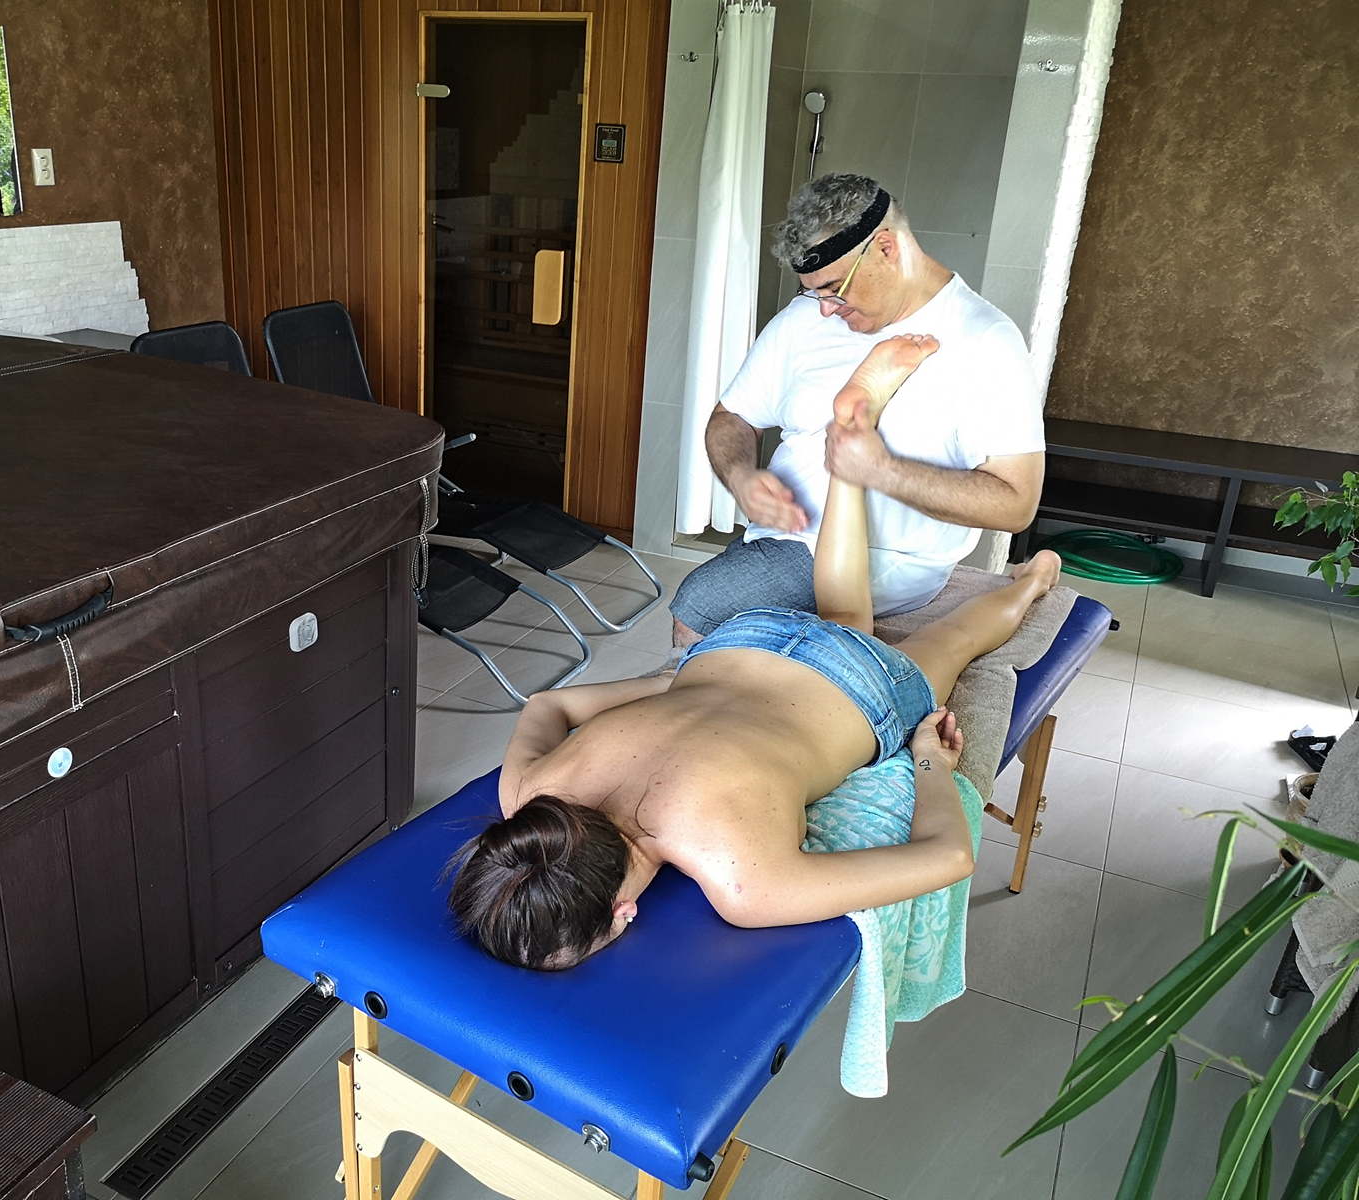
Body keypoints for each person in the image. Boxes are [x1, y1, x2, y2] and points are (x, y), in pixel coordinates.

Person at [448, 333, 1062, 970]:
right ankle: (849, 437)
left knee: (954, 640)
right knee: (844, 614)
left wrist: (930, 760)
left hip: (859, 683)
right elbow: (545, 705)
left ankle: (1034, 579)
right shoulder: (529, 794)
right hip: (742, 640)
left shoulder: (740, 879)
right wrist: (674, 686)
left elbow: (949, 858)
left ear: (621, 911)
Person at [671, 173, 1046, 647]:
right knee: (718, 625)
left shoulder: (984, 340)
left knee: (700, 609)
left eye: (834, 288)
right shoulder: (803, 320)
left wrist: (881, 471)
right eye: (814, 292)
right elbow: (732, 418)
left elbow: (1017, 504)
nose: (825, 309)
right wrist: (741, 477)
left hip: (886, 558)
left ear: (886, 248)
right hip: (780, 538)